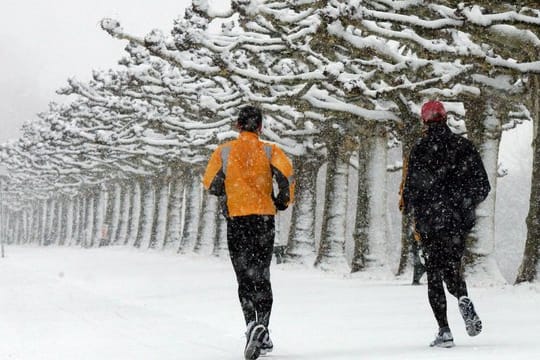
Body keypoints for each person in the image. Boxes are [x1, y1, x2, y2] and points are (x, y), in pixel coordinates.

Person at [202, 105, 294, 360]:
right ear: (260, 127)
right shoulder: (269, 150)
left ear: (238, 125)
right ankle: (262, 326)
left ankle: (251, 325)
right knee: (262, 274)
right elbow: (286, 175)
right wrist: (281, 200)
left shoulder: (224, 151)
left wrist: (228, 192)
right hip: (263, 219)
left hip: (237, 219)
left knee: (244, 276)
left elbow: (210, 183)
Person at [401, 100, 490, 348]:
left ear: (424, 121)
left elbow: (411, 190)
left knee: (434, 274)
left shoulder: (419, 150)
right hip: (457, 222)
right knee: (452, 265)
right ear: (446, 118)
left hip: (430, 221)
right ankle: (462, 295)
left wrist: (414, 210)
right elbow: (483, 185)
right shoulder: (464, 147)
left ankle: (444, 330)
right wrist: (465, 203)